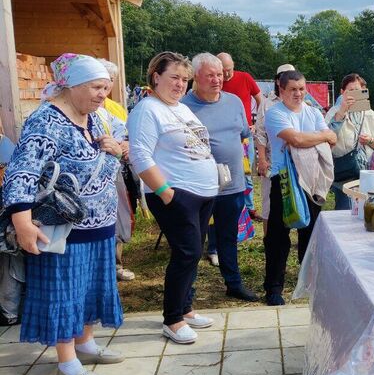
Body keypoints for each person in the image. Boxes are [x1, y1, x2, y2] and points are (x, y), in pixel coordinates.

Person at [3, 53, 124, 375]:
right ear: (72, 86)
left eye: (106, 88)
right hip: (62, 227)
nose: (103, 95)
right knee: (65, 292)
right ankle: (67, 364)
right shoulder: (46, 120)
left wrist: (115, 147)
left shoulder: (95, 117)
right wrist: (23, 222)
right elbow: (22, 171)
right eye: (97, 87)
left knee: (90, 288)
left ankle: (85, 344)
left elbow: (116, 148)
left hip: (99, 223)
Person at [127, 51, 219, 344]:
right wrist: (167, 194)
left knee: (194, 251)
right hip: (176, 194)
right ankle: (173, 319)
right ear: (156, 77)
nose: (181, 84)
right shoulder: (148, 109)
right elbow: (139, 155)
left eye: (185, 79)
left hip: (202, 194)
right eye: (174, 78)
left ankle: (186, 308)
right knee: (187, 252)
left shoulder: (179, 108)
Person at [182, 53, 257, 302]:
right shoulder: (183, 107)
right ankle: (186, 293)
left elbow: (243, 134)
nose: (217, 80)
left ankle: (233, 283)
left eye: (220, 74)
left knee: (228, 237)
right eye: (210, 75)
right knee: (192, 242)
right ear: (196, 77)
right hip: (197, 187)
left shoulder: (234, 102)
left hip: (232, 184)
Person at [263, 69, 337, 305]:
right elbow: (296, 139)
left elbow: (332, 137)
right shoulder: (275, 113)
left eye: (302, 89)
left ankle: (309, 281)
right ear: (281, 90)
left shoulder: (313, 111)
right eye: (292, 89)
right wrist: (319, 136)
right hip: (284, 178)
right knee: (278, 235)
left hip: (312, 177)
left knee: (311, 232)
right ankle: (274, 288)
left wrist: (315, 137)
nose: (298, 93)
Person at [96, 59, 136, 282]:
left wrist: (126, 145)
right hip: (96, 176)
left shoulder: (116, 109)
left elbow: (127, 136)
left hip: (117, 171)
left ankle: (117, 264)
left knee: (118, 217)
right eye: (101, 81)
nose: (106, 86)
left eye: (110, 81)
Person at [325, 73, 374, 210]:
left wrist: (371, 140)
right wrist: (341, 113)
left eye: (357, 91)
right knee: (344, 212)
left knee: (369, 212)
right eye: (350, 91)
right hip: (344, 174)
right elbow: (326, 140)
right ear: (342, 92)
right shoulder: (334, 112)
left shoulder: (369, 113)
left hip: (368, 174)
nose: (354, 94)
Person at [217, 53, 262, 220]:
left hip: (244, 135)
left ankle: (249, 208)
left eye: (229, 70)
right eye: (223, 71)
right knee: (226, 174)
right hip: (224, 136)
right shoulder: (216, 82)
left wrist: (256, 123)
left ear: (233, 65)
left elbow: (260, 100)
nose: (227, 74)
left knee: (246, 172)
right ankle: (233, 208)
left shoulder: (245, 78)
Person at [254, 64, 292, 234]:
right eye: (284, 76)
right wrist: (262, 160)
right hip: (272, 160)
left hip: (295, 160)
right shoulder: (267, 103)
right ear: (277, 80)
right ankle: (269, 241)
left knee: (294, 200)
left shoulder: (299, 101)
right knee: (269, 203)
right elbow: (260, 133)